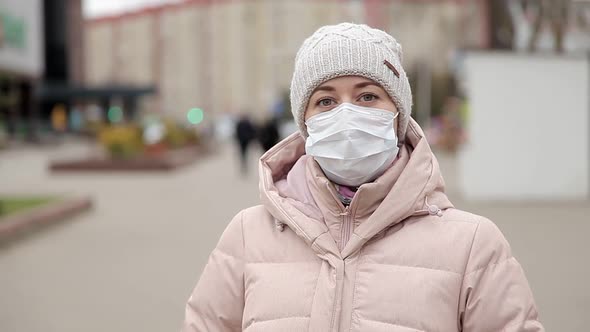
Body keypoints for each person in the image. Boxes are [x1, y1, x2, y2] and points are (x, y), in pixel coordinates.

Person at [182, 23, 544, 332]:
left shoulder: (473, 246)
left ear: (398, 116)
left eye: (367, 96)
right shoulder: (248, 236)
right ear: (305, 122)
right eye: (325, 101)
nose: (346, 114)